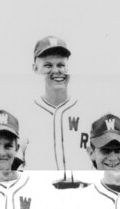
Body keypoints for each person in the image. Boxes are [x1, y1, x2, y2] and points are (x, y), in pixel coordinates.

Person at [22, 35, 95, 189]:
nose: (56, 71)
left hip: (83, 193)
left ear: (67, 68)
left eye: (61, 65)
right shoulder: (24, 114)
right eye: (48, 65)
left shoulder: (88, 111)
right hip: (42, 194)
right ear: (35, 69)